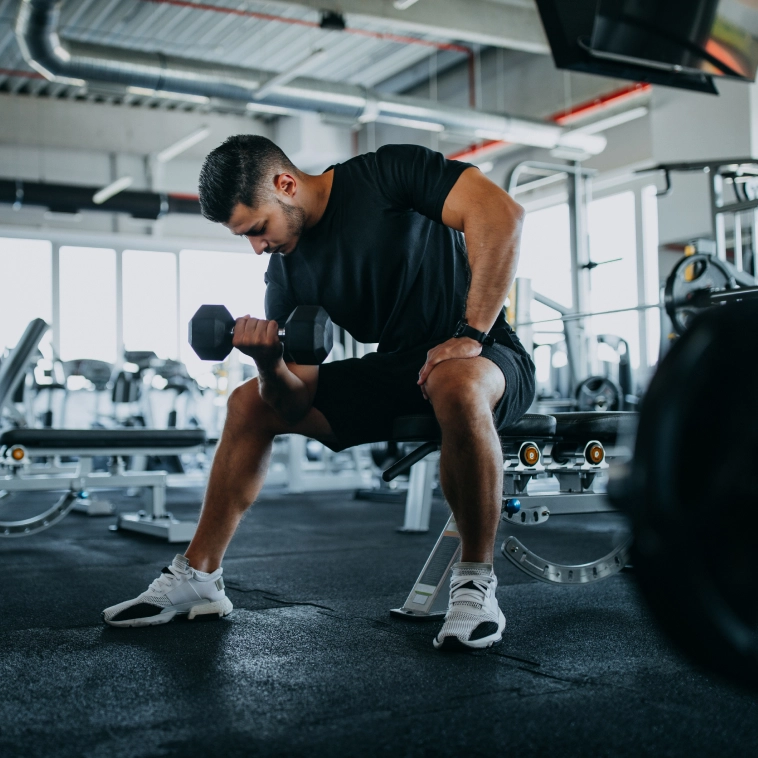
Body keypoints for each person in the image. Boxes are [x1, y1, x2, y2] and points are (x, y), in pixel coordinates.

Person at [103, 136, 535, 651]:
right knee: (248, 402)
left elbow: (501, 212)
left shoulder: (387, 174)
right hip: (400, 369)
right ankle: (199, 577)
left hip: (488, 354)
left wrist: (471, 331)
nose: (257, 247)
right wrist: (267, 363)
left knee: (454, 379)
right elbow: (295, 402)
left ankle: (474, 583)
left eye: (258, 229)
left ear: (285, 184)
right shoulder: (287, 273)